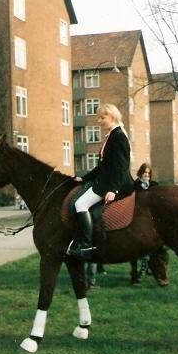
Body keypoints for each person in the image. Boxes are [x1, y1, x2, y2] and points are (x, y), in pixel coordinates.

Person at [66, 103, 133, 260]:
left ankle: (85, 244)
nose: (99, 121)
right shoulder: (110, 136)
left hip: (111, 184)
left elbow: (121, 167)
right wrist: (83, 178)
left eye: (102, 117)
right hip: (105, 181)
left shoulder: (118, 137)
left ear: (112, 117)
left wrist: (113, 190)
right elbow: (101, 168)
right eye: (98, 117)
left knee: (80, 204)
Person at [131, 163, 161, 284]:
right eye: (145, 172)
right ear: (140, 173)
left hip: (150, 219)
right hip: (137, 217)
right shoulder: (135, 185)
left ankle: (147, 268)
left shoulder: (154, 185)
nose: (146, 175)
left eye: (148, 173)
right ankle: (138, 272)